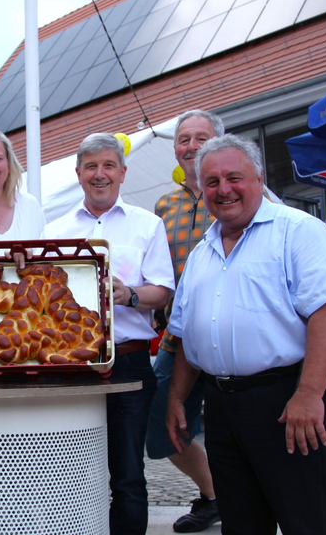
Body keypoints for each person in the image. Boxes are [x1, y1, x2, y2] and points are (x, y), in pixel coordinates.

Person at [166, 135, 326, 535]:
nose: (223, 189)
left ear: (259, 177)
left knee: (305, 520)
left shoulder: (298, 230)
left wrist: (309, 394)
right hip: (222, 405)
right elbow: (185, 335)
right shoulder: (201, 252)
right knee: (242, 522)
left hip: (288, 399)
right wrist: (178, 398)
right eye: (211, 182)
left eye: (234, 177)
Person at [44, 133, 174, 535]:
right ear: (79, 174)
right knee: (70, 473)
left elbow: (163, 291)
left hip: (130, 361)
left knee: (128, 474)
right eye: (91, 167)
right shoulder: (54, 229)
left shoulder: (148, 225)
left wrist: (128, 294)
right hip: (71, 365)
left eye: (108, 166)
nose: (100, 174)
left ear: (122, 172)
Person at [145, 110, 221, 533]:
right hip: (179, 340)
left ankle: (237, 499)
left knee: (241, 429)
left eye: (200, 137)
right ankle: (217, 494)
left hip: (233, 336)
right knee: (160, 423)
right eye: (183, 139)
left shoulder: (250, 194)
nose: (191, 146)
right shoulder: (164, 205)